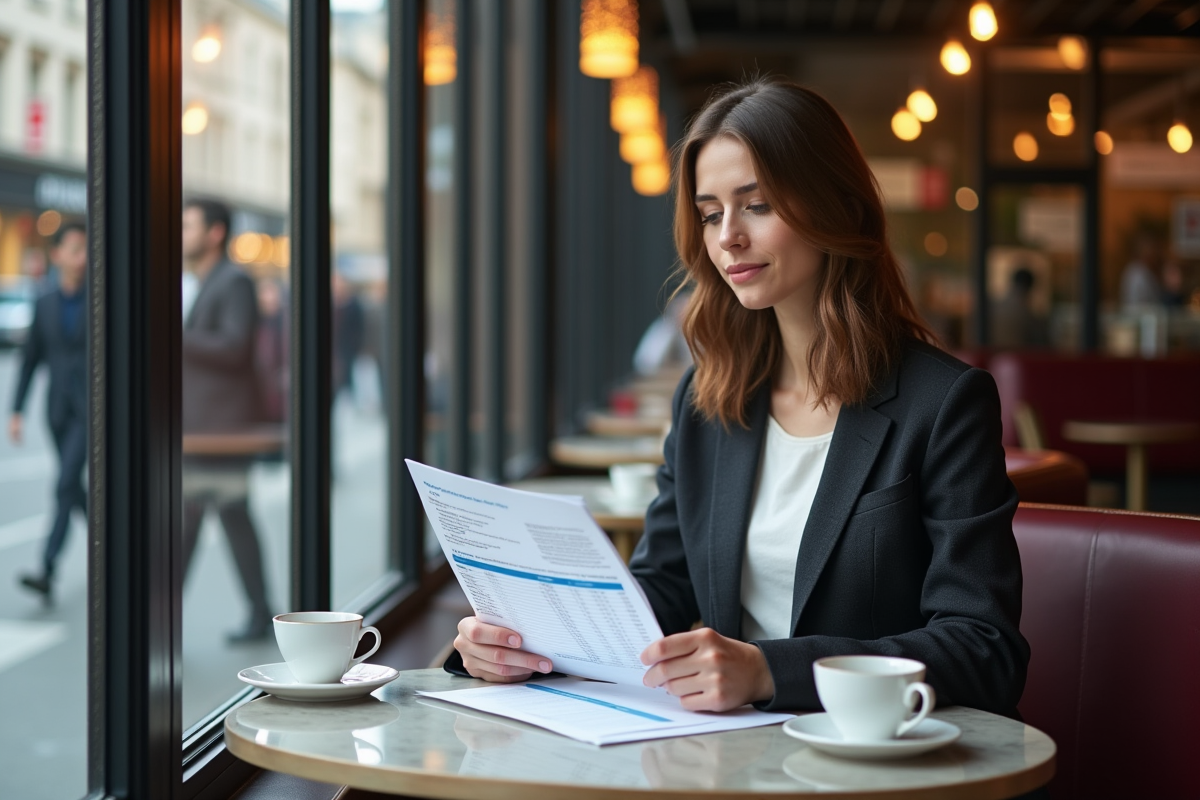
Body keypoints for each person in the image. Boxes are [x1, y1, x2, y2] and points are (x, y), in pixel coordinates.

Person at [449, 79, 1029, 723]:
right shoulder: (707, 402)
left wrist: (766, 670)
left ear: (836, 205)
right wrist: (525, 643)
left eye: (755, 205)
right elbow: (664, 592)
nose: (727, 237)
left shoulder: (943, 403)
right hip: (729, 756)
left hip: (871, 766)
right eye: (708, 213)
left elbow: (985, 648)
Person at [181, 198, 273, 642]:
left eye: (188, 225)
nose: (181, 234)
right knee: (213, 517)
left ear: (215, 232)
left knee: (197, 517)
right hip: (208, 429)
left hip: (221, 431)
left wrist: (175, 335)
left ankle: (158, 619)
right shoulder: (209, 280)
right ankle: (260, 611)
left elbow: (235, 348)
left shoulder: (233, 280)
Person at [9, 223, 89, 604]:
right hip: (56, 410)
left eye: (87, 249)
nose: (82, 257)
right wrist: (16, 411)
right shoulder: (45, 301)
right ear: (57, 254)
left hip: (91, 412)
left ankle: (47, 568)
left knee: (64, 484)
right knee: (73, 489)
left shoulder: (99, 297)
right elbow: (29, 360)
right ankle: (111, 547)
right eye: (74, 249)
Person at [991, 266, 1049, 348]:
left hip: (996, 357)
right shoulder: (1027, 314)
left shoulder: (995, 306)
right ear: (1030, 287)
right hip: (1016, 357)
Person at [1120, 230, 1167, 309]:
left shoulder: (1144, 271)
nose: (1155, 254)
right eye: (1152, 249)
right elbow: (1136, 304)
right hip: (1138, 318)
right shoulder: (1136, 273)